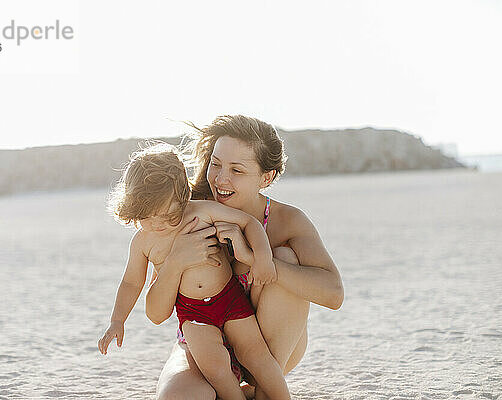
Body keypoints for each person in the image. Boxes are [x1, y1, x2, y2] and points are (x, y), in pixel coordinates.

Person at [146, 115, 344, 400]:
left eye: (237, 170)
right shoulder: (189, 214)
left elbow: (333, 294)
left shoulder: (287, 221)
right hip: (202, 347)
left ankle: (263, 388)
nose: (221, 179)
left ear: (267, 177)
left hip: (265, 347)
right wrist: (177, 260)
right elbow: (155, 313)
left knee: (284, 258)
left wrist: (254, 258)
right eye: (216, 164)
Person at [97, 143, 291, 400]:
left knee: (256, 354)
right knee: (215, 367)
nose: (158, 224)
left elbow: (249, 222)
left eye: (168, 215)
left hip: (229, 297)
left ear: (182, 197)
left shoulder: (201, 212)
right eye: (147, 216)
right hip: (193, 313)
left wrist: (263, 258)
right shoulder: (143, 242)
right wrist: (117, 320)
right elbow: (132, 282)